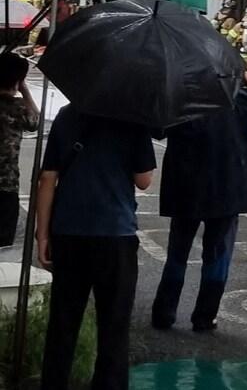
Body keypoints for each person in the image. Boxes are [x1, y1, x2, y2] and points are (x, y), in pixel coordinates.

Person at [34, 104, 156, 390]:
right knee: (114, 328)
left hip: (68, 232)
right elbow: (144, 181)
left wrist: (42, 236)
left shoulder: (67, 115)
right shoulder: (134, 116)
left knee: (63, 323)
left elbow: (48, 178)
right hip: (115, 235)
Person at [151, 66, 247, 332]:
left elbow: (157, 128)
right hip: (227, 190)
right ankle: (204, 317)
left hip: (186, 189)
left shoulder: (182, 98)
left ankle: (164, 314)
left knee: (177, 253)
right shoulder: (239, 97)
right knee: (217, 255)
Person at [0, 49, 38, 247]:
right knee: (4, 245)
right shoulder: (19, 107)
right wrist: (24, 90)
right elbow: (34, 122)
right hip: (6, 184)